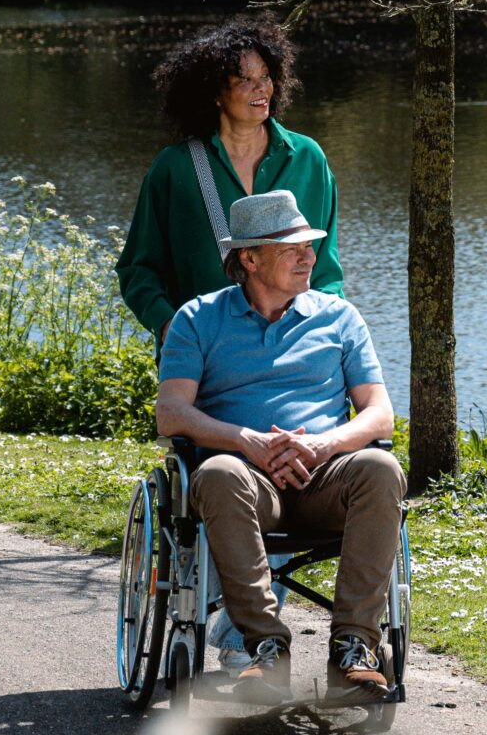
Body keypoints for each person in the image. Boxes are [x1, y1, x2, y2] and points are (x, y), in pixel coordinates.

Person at [156, 189, 402, 704]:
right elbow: (172, 413)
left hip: (325, 479)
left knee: (380, 466)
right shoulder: (198, 319)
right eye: (291, 247)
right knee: (218, 474)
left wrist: (324, 446)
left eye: (309, 245)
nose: (308, 256)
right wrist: (247, 442)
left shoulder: (339, 318)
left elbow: (380, 413)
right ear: (248, 258)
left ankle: (354, 650)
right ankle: (265, 650)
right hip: (244, 482)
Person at [117, 17, 344, 345]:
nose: (261, 88)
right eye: (245, 79)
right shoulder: (175, 169)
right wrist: (168, 326)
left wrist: (327, 334)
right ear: (215, 94)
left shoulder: (308, 159)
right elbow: (139, 270)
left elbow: (326, 270)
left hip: (297, 348)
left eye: (265, 76)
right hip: (205, 354)